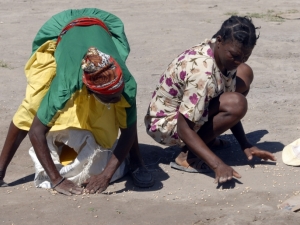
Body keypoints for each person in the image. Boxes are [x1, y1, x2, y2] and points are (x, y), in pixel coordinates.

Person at [0, 8, 154, 195]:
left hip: (102, 24)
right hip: (62, 28)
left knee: (126, 111)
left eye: (117, 93)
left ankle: (137, 161)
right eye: (110, 97)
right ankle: (1, 169)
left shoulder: (126, 84)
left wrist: (106, 175)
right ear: (88, 88)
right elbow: (36, 131)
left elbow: (129, 131)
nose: (116, 99)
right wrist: (57, 180)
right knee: (33, 104)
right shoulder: (65, 84)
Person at [144, 16, 276, 184]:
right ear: (219, 40)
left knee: (245, 73)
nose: (239, 61)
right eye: (235, 56)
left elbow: (228, 96)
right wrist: (217, 164)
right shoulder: (203, 73)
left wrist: (245, 144)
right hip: (165, 125)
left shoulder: (221, 54)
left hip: (189, 110)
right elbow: (183, 127)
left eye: (245, 56)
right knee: (237, 103)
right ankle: (188, 156)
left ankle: (205, 140)